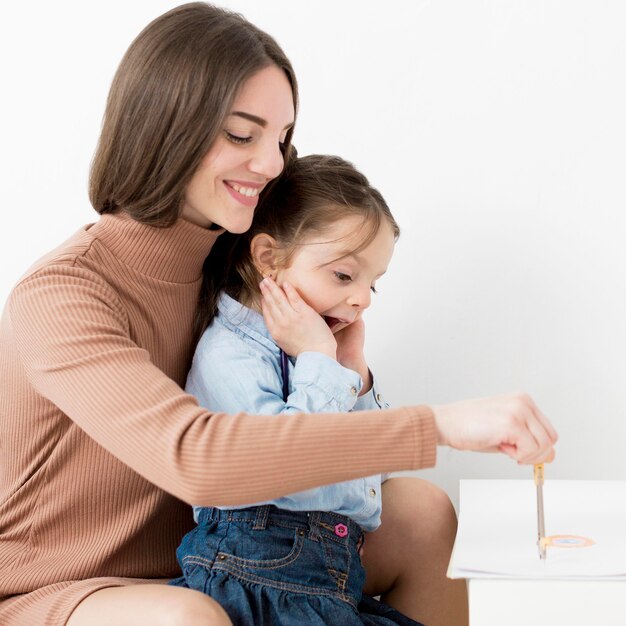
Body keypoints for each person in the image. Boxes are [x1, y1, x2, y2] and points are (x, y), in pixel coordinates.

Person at [0, 3, 557, 625]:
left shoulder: (241, 267)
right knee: (184, 620)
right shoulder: (61, 295)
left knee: (423, 515)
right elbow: (197, 457)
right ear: (164, 128)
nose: (271, 165)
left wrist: (350, 367)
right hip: (62, 589)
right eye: (242, 134)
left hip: (220, 551)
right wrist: (438, 425)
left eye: (281, 138)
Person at [172, 153, 424, 625]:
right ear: (269, 259)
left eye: (374, 285)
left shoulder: (320, 360)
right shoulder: (230, 355)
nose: (362, 298)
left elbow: (379, 473)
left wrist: (354, 373)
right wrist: (321, 365)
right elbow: (286, 469)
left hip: (327, 577)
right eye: (344, 276)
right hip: (259, 581)